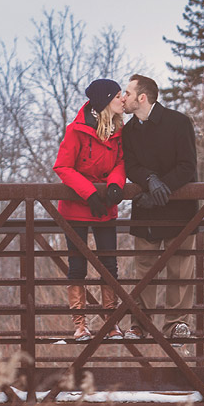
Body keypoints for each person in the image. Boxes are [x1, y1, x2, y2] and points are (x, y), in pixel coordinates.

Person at [121, 74, 198, 344]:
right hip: (146, 209)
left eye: (127, 93)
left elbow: (188, 166)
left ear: (142, 97)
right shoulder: (128, 131)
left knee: (180, 268)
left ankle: (177, 325)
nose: (123, 97)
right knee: (144, 268)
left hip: (179, 207)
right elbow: (130, 165)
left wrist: (161, 188)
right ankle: (139, 324)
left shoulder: (178, 122)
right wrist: (149, 181)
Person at [53, 79, 126, 341]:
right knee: (77, 267)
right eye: (118, 95)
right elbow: (62, 167)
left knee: (109, 266)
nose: (123, 99)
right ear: (106, 100)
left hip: (105, 206)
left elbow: (120, 161)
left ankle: (111, 323)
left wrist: (115, 185)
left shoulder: (118, 129)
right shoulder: (77, 130)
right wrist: (91, 193)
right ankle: (80, 325)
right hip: (76, 208)